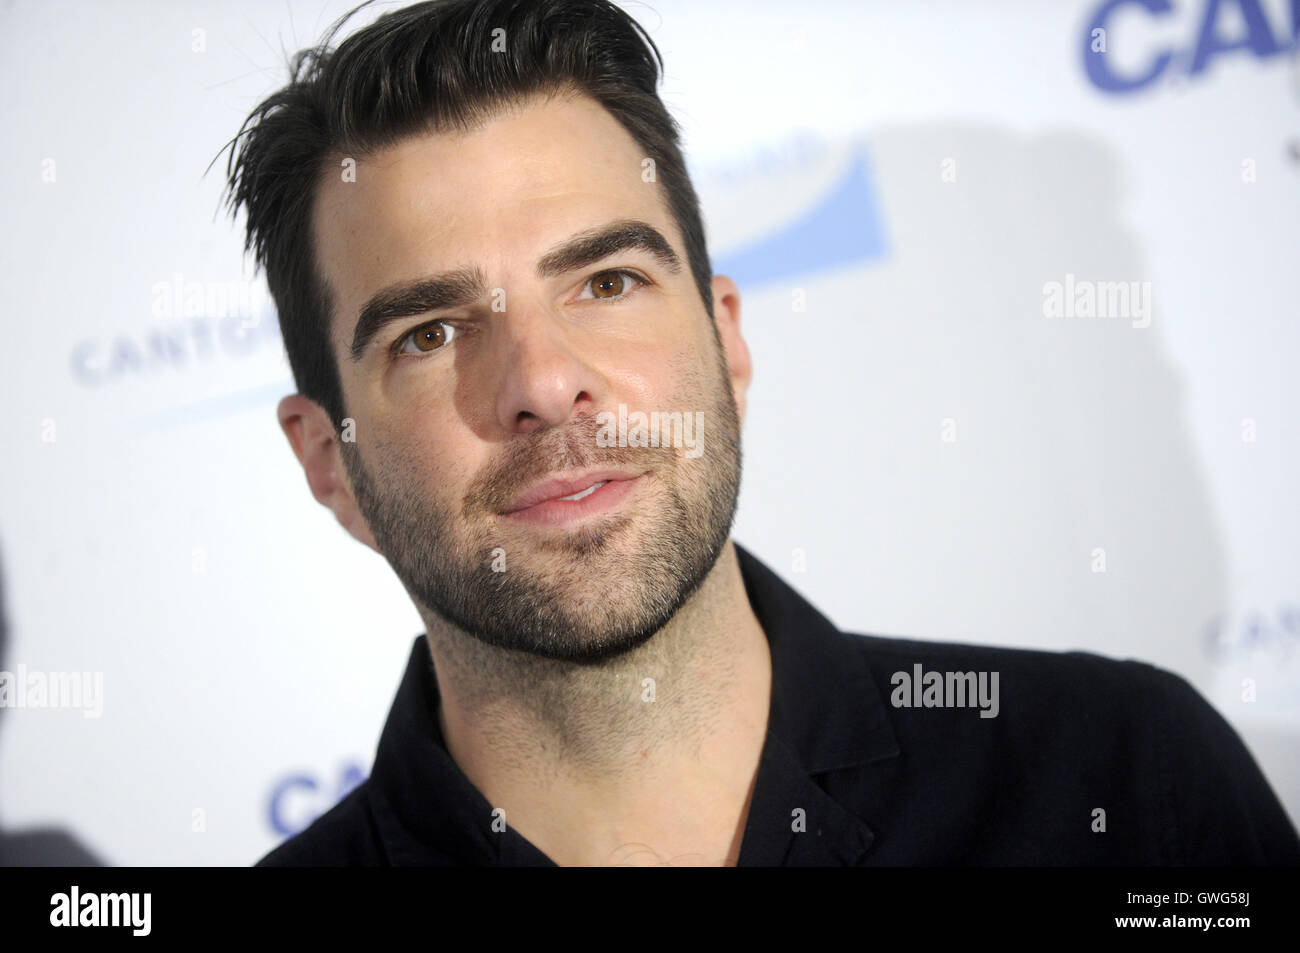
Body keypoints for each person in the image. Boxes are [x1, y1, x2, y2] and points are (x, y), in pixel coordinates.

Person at [221, 0, 1300, 866]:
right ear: (331, 461)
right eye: (431, 330)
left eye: (607, 279)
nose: (544, 385)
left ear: (726, 343)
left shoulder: (1126, 779)